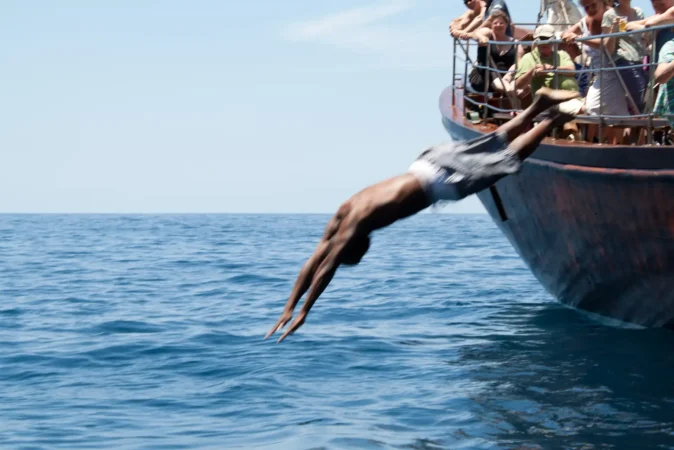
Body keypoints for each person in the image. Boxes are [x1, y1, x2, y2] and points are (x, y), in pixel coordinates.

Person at [265, 88, 581, 343]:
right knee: (492, 142)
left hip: (439, 183)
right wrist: (289, 305)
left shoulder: (356, 225)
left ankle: (550, 119)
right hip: (426, 161)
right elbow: (316, 257)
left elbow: (326, 268)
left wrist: (304, 310)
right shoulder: (346, 209)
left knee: (506, 160)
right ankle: (538, 102)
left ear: (356, 244)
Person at [516, 25, 583, 115]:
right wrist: (532, 71)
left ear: (554, 40)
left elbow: (572, 71)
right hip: (549, 104)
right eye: (541, 39)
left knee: (595, 109)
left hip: (573, 99)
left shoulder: (562, 54)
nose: (544, 42)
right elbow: (519, 85)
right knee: (586, 109)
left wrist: (550, 68)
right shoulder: (528, 57)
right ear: (536, 40)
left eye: (547, 39)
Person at [468, 10, 517, 93]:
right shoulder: (487, 33)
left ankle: (512, 90)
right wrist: (481, 38)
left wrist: (509, 75)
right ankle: (508, 89)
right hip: (483, 76)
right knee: (492, 74)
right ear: (491, 25)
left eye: (501, 23)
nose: (498, 25)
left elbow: (518, 62)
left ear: (506, 25)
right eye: (495, 23)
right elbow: (475, 34)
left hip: (506, 77)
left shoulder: (515, 42)